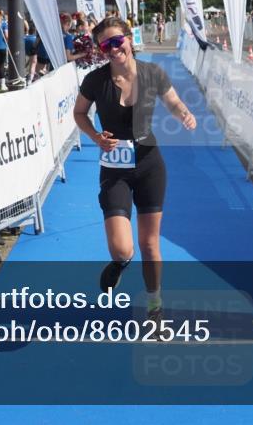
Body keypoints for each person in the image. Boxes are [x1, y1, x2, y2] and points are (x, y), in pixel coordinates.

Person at [72, 17, 196, 319]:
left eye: (117, 42)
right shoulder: (96, 81)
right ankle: (120, 264)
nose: (114, 50)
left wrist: (185, 114)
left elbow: (174, 102)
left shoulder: (153, 73)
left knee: (150, 244)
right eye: (106, 45)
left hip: (149, 165)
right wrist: (95, 136)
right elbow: (79, 113)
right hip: (114, 169)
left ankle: (155, 308)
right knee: (123, 249)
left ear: (129, 39)